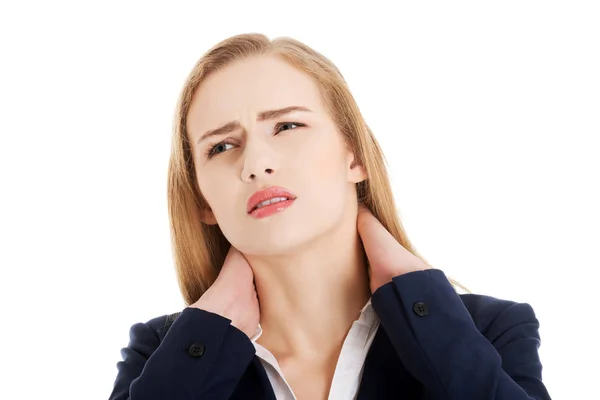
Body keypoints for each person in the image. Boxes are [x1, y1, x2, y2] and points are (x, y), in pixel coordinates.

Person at [108, 33, 551, 400]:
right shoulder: (161, 356)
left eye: (286, 126)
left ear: (353, 155)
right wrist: (209, 328)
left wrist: (422, 303)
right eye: (221, 147)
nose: (256, 163)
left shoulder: (488, 330)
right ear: (203, 201)